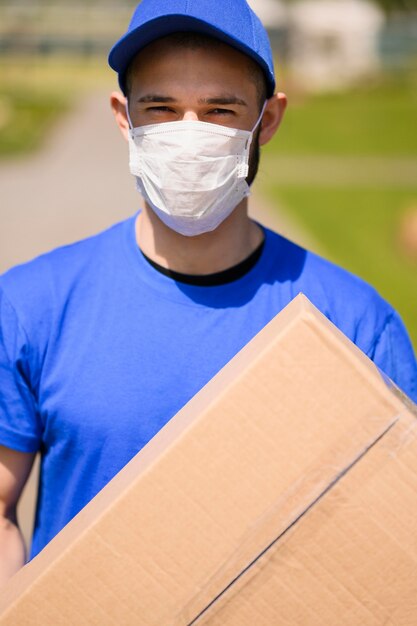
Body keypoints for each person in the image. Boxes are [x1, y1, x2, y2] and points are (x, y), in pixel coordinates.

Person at [0, 0, 416, 585]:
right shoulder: (29, 306)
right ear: (124, 117)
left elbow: (393, 531)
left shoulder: (355, 322)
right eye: (162, 108)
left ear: (267, 121)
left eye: (220, 109)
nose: (188, 134)